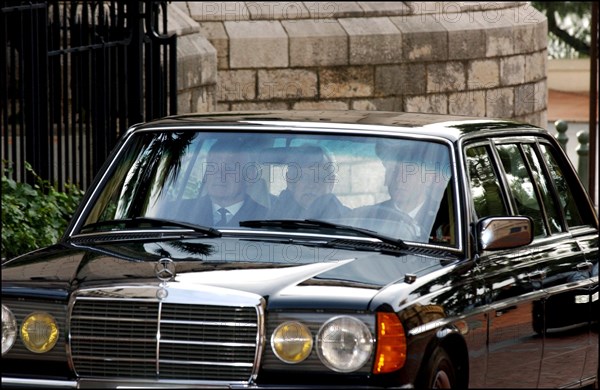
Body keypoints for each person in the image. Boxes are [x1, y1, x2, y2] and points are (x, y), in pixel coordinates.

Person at [351, 141, 451, 241]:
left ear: (428, 179)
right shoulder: (367, 217)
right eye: (394, 171)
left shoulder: (449, 219)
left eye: (408, 173)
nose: (399, 179)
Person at [192, 139, 268, 227]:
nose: (219, 174)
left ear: (249, 176)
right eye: (212, 166)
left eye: (229, 167)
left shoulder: (266, 218)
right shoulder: (180, 213)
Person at [267, 144, 349, 220]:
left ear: (331, 183)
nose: (311, 185)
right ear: (290, 181)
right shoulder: (269, 220)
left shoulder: (348, 221)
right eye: (304, 177)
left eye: (319, 178)